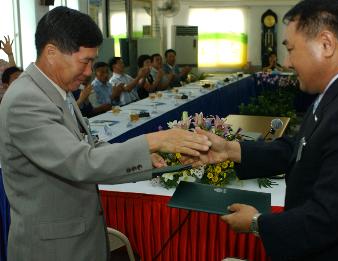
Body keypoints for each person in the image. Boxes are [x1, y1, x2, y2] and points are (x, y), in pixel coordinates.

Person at [192, 1, 338, 260]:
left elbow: (328, 217)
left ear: (326, 44)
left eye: (291, 49)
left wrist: (257, 223)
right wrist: (230, 150)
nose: (288, 62)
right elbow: (300, 148)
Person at [0, 7, 211, 261]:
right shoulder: (27, 99)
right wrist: (154, 140)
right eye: (85, 61)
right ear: (52, 53)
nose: (89, 71)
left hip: (78, 240)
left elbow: (89, 146)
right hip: (53, 250)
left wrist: (149, 154)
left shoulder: (57, 90)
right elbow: (79, 161)